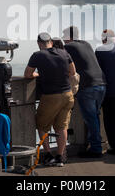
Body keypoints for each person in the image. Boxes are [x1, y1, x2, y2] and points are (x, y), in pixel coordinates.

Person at [24, 33, 76, 167]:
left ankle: (47, 155)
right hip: (67, 94)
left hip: (51, 96)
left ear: (38, 43)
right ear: (51, 42)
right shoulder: (64, 53)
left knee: (41, 125)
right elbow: (72, 72)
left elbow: (28, 74)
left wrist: (39, 74)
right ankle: (59, 157)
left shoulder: (37, 55)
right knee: (61, 126)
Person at [63, 26, 106, 158]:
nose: (64, 40)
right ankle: (96, 145)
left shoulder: (68, 48)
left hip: (87, 86)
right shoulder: (86, 44)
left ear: (69, 38)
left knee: (90, 118)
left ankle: (96, 149)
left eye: (64, 37)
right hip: (101, 84)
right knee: (95, 116)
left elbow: (64, 65)